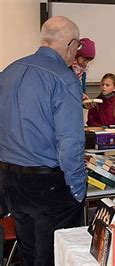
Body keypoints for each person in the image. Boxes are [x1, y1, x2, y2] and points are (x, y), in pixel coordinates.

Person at [0, 16, 86, 265]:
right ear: (71, 45)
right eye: (77, 47)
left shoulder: (9, 71)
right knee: (54, 255)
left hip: (10, 180)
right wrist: (78, 189)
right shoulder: (64, 77)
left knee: (28, 250)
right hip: (47, 183)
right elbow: (70, 142)